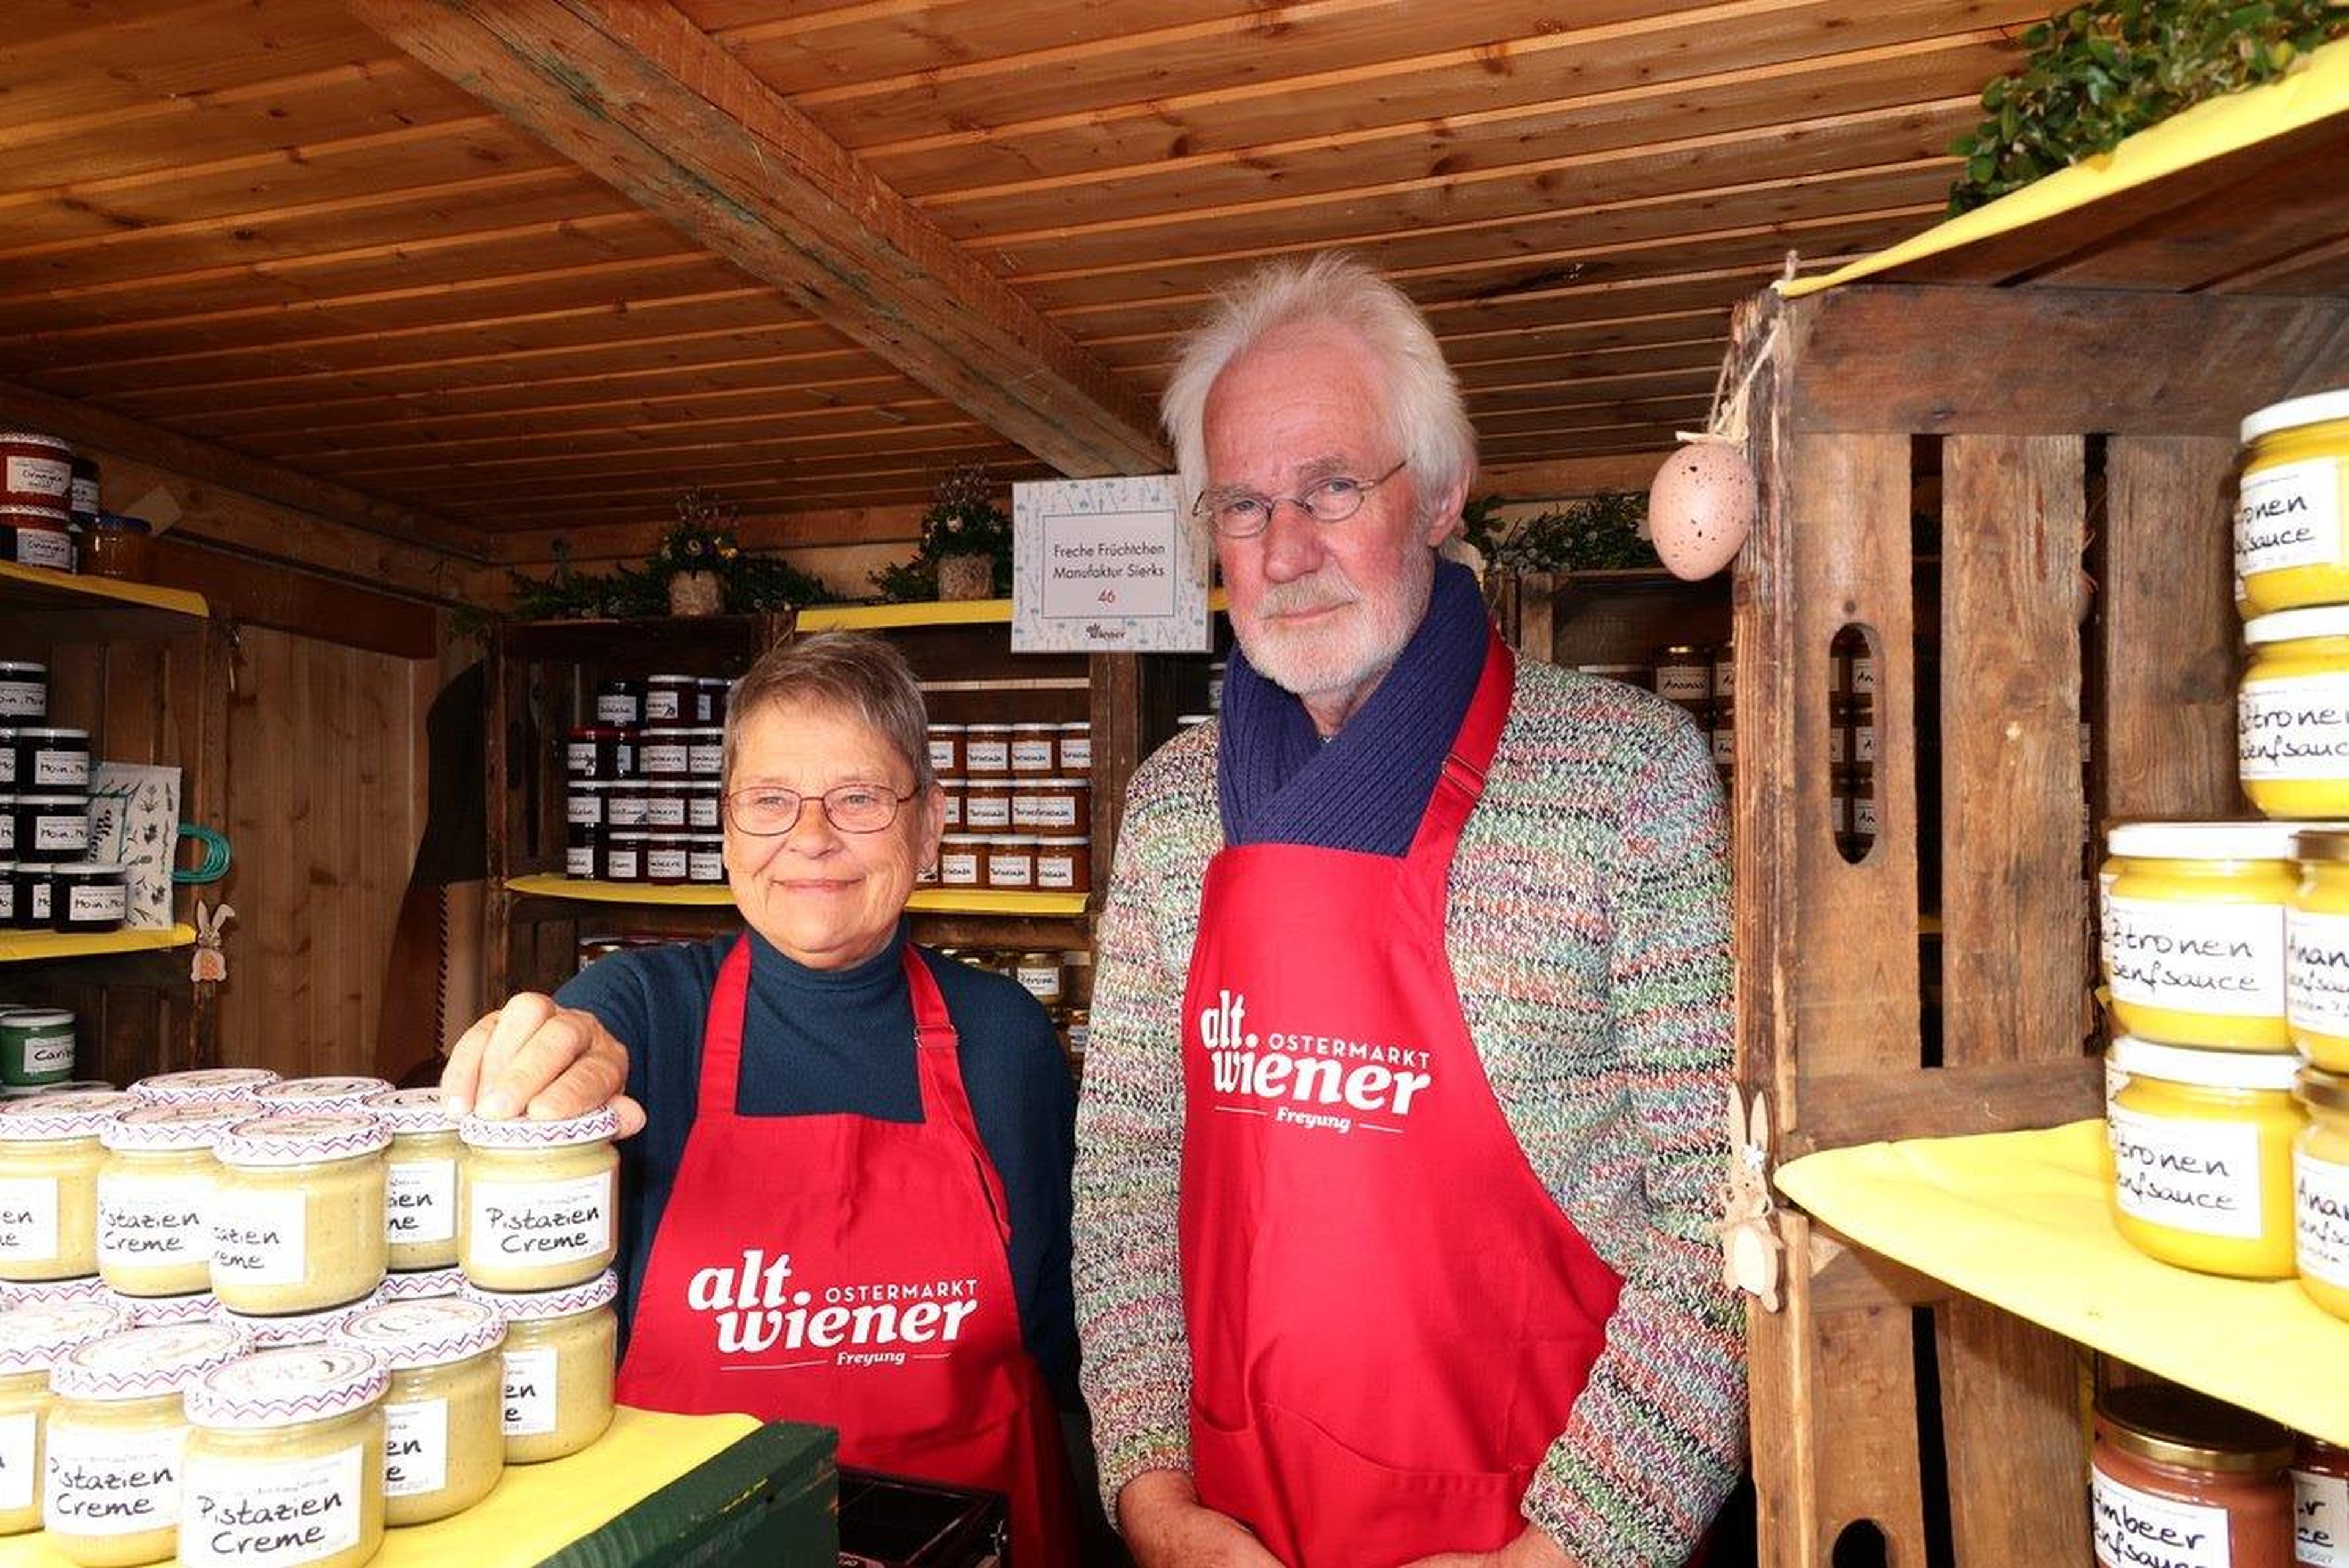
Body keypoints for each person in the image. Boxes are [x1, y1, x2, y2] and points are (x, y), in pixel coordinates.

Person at [1072, 252, 1745, 1568]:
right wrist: (1152, 1500)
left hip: (1535, 1530)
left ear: (1440, 495)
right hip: (1236, 1525)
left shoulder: (1622, 776)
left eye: (1331, 486)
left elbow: (1720, 1219)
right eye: (1242, 504)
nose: (1284, 551)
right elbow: (1128, 1180)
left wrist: (1568, 1555)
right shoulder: (1169, 812)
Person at [443, 632, 1081, 1566]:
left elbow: (1064, 1329)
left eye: (859, 799)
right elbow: (571, 1055)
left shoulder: (1005, 1038)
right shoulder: (646, 1012)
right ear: (727, 826)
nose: (811, 838)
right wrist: (541, 1069)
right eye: (771, 801)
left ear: (932, 823)